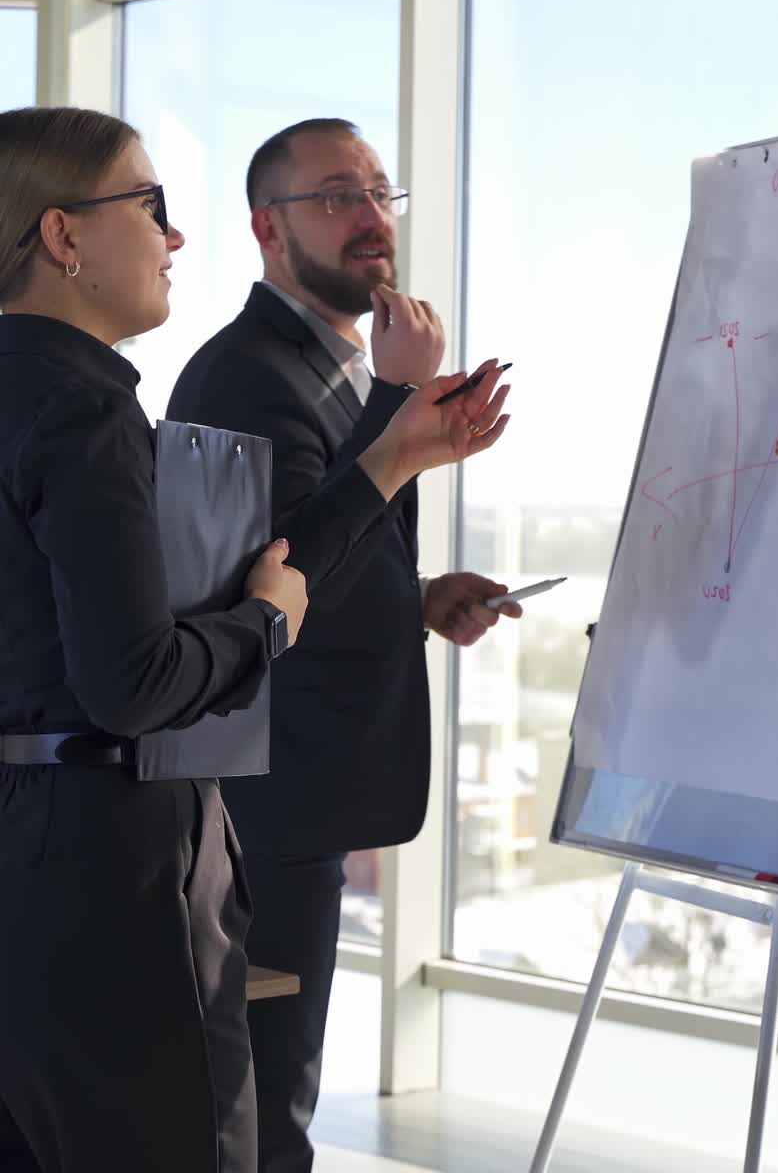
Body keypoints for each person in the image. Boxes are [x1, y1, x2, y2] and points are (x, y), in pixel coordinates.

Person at [167, 117, 521, 1172]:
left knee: (279, 1096)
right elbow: (266, 582)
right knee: (257, 1114)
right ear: (267, 228)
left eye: (378, 192)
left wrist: (420, 597)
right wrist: (398, 407)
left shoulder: (329, 367)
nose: (372, 217)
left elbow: (322, 556)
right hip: (260, 800)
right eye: (336, 195)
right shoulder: (245, 373)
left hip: (301, 795)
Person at [0, 105, 306, 1173]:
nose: (174, 235)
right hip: (109, 861)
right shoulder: (82, 410)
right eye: (150, 204)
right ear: (62, 235)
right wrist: (266, 622)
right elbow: (134, 682)